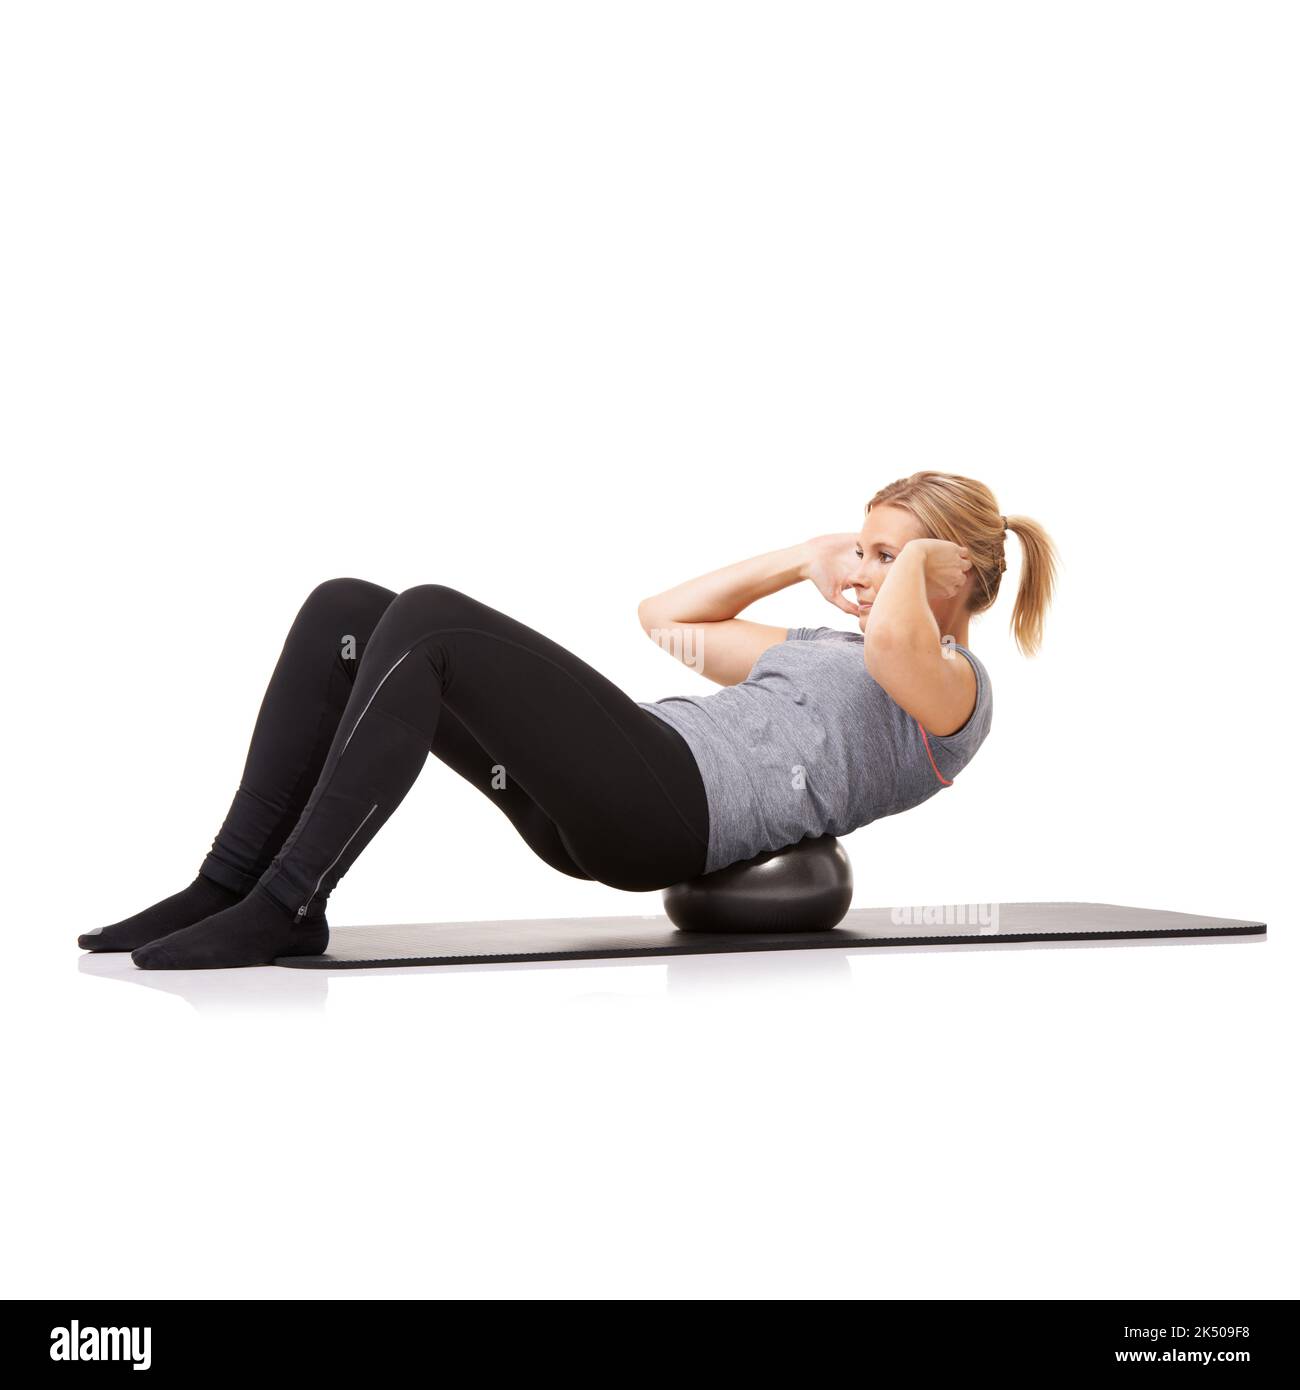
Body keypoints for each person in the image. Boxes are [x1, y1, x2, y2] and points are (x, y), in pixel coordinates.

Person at [79, 470, 1056, 969]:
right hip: (596, 795)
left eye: (890, 557)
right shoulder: (817, 646)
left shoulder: (955, 692)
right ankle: (227, 884)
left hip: (668, 813)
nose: (862, 573)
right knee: (351, 613)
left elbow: (898, 644)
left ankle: (290, 904)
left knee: (430, 618)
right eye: (865, 550)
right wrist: (800, 556)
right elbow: (667, 623)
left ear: (953, 573)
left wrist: (921, 563)